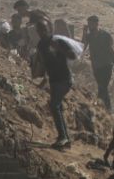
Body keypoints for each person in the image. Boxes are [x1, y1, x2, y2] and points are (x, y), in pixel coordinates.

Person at [34, 14, 77, 149]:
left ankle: (63, 137)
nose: (42, 33)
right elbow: (44, 62)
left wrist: (59, 49)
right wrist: (44, 78)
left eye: (44, 30)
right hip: (53, 79)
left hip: (64, 79)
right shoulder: (41, 44)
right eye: (40, 31)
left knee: (54, 105)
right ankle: (65, 138)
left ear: (49, 29)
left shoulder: (58, 41)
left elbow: (73, 55)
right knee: (57, 107)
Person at [82, 15, 114, 110]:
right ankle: (105, 108)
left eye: (91, 24)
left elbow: (111, 51)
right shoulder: (89, 36)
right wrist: (84, 32)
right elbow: (83, 46)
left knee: (103, 86)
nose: (89, 26)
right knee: (102, 87)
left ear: (96, 24)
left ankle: (102, 107)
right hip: (96, 66)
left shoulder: (105, 35)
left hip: (106, 65)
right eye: (88, 24)